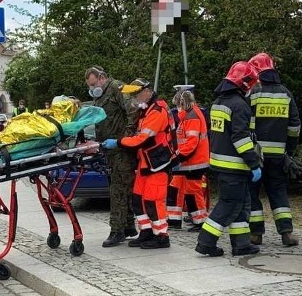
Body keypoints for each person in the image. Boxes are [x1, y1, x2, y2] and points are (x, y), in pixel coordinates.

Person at [195, 61, 263, 258]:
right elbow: (241, 138)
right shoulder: (239, 105)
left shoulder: (219, 102)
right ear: (245, 83)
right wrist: (254, 163)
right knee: (228, 204)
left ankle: (241, 244)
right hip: (235, 165)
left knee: (241, 205)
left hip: (221, 163)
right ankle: (206, 242)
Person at [102, 78, 174, 249]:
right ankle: (146, 231)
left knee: (153, 201)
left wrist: (118, 142)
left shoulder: (157, 111)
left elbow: (140, 140)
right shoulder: (146, 110)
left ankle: (162, 236)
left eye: (135, 94)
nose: (133, 98)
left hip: (158, 162)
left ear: (147, 92)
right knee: (138, 199)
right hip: (147, 161)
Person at [247, 52, 301, 247]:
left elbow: (244, 121)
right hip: (278, 155)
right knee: (278, 191)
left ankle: (256, 234)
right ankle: (286, 232)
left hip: (255, 155)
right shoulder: (285, 93)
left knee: (252, 193)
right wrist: (290, 150)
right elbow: (294, 125)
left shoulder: (252, 93)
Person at [85, 65, 137, 246]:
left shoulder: (116, 88)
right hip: (110, 150)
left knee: (118, 190)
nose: (92, 89)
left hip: (121, 149)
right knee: (122, 188)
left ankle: (117, 231)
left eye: (93, 84)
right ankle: (128, 225)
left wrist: (126, 138)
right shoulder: (99, 97)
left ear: (102, 78)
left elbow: (132, 111)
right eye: (89, 86)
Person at [167, 88, 209, 231]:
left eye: (178, 105)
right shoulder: (188, 116)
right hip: (187, 162)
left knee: (193, 192)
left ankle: (200, 222)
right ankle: (174, 220)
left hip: (194, 162)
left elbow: (191, 142)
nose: (177, 108)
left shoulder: (192, 116)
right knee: (175, 189)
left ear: (184, 103)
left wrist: (178, 158)